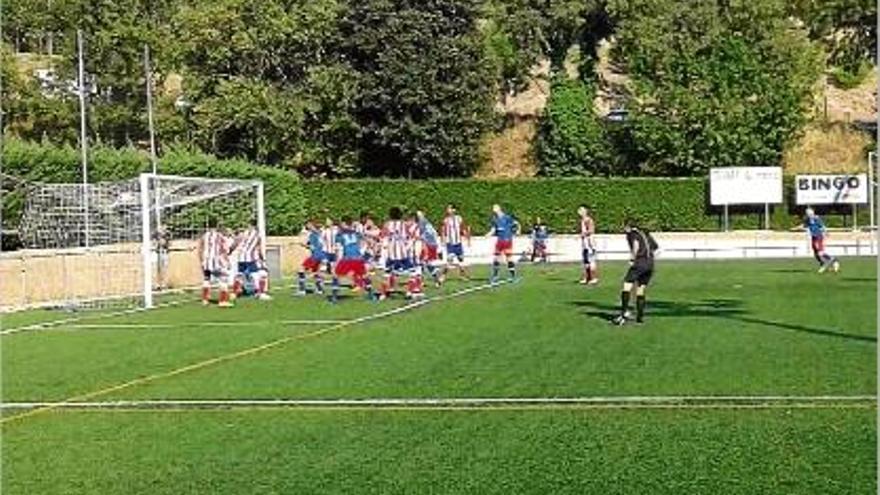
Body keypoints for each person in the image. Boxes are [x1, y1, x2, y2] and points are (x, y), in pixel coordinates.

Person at [613, 219, 658, 326]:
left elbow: (635, 244)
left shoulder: (631, 234)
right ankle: (640, 318)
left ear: (627, 227)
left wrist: (633, 258)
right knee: (640, 289)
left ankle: (624, 313)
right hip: (650, 264)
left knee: (626, 286)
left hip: (639, 263)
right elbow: (655, 247)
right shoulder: (645, 232)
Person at [380, 207, 423, 300]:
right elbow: (411, 236)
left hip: (391, 254)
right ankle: (409, 292)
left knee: (387, 273)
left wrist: (384, 246)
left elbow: (382, 236)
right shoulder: (404, 225)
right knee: (412, 272)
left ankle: (383, 294)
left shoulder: (387, 225)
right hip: (403, 253)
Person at [331, 217, 374, 303]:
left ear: (344, 224)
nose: (341, 225)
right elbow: (370, 242)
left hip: (347, 259)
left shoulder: (339, 235)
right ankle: (371, 296)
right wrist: (364, 253)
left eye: (342, 223)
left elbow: (338, 249)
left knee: (335, 275)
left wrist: (336, 262)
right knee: (365, 276)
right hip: (358, 258)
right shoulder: (356, 233)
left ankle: (334, 298)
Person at [197, 219, 233, 307]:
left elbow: (200, 249)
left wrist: (201, 260)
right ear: (217, 226)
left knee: (206, 279)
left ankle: (205, 300)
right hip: (216, 261)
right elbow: (223, 250)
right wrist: (227, 261)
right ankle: (223, 301)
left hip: (206, 261)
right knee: (223, 279)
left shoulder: (204, 236)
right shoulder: (220, 236)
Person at [232, 223, 272, 301]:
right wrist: (262, 258)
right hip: (251, 258)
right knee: (258, 274)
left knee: (240, 275)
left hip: (241, 258)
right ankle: (260, 293)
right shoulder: (257, 235)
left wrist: (230, 251)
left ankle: (234, 293)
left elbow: (235, 244)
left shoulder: (242, 234)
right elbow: (259, 247)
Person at [487, 204, 520, 284]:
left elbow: (516, 223)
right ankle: (495, 276)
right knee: (496, 258)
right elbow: (494, 229)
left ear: (499, 209)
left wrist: (518, 231)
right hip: (499, 240)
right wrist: (488, 234)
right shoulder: (495, 219)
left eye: (494, 208)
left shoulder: (507, 217)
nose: (493, 209)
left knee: (509, 258)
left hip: (507, 240)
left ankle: (513, 276)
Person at [803, 208, 840, 274]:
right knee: (816, 254)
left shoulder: (816, 218)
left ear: (813, 213)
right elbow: (805, 226)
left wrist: (826, 232)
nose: (809, 215)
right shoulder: (807, 220)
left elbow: (822, 226)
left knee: (820, 253)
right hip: (813, 237)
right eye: (808, 214)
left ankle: (832, 261)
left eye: (810, 214)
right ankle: (824, 263)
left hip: (819, 237)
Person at [296, 220, 327, 296]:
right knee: (316, 272)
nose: (307, 226)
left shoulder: (312, 235)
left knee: (301, 270)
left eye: (308, 225)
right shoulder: (318, 233)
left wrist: (303, 245)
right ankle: (319, 290)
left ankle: (302, 290)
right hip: (320, 255)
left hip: (315, 255)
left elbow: (312, 247)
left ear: (311, 225)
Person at [441, 204, 471, 280]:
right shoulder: (446, 220)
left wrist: (467, 239)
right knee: (450, 260)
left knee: (461, 259)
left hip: (458, 243)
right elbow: (443, 231)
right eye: (448, 209)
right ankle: (443, 275)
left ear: (454, 210)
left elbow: (463, 229)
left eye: (450, 209)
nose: (448, 210)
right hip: (450, 243)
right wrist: (443, 240)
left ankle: (462, 275)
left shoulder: (459, 218)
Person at [417, 210, 444, 286]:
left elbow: (419, 234)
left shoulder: (422, 223)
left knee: (423, 263)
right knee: (422, 263)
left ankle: (436, 275)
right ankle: (423, 280)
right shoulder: (427, 223)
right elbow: (434, 234)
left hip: (427, 245)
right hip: (431, 245)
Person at [578, 206, 599, 285]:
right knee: (585, 261)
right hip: (585, 244)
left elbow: (591, 230)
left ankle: (594, 278)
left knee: (591, 261)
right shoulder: (582, 221)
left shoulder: (589, 220)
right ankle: (587, 277)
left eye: (581, 210)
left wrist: (584, 234)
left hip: (590, 243)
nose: (579, 212)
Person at [153, 225, 170, 290]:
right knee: (157, 268)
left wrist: (163, 242)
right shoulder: (155, 234)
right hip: (157, 252)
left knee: (164, 268)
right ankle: (157, 284)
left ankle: (163, 284)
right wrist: (157, 243)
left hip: (164, 252)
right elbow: (154, 243)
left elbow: (166, 243)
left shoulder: (167, 234)